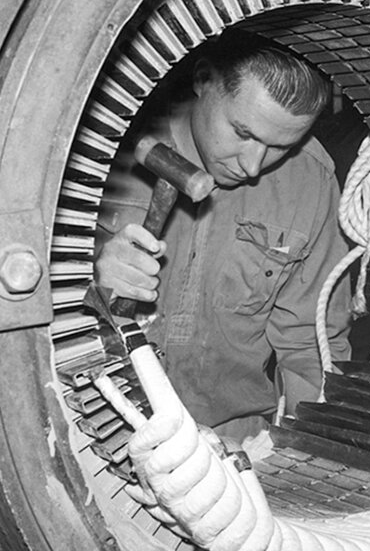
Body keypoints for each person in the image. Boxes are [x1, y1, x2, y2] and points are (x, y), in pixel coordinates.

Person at [97, 29, 351, 442]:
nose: (252, 166)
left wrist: (306, 451)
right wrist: (88, 280)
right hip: (97, 424)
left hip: (231, 445)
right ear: (203, 79)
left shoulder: (311, 181)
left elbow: (311, 346)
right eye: (244, 133)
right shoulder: (101, 147)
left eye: (281, 146)